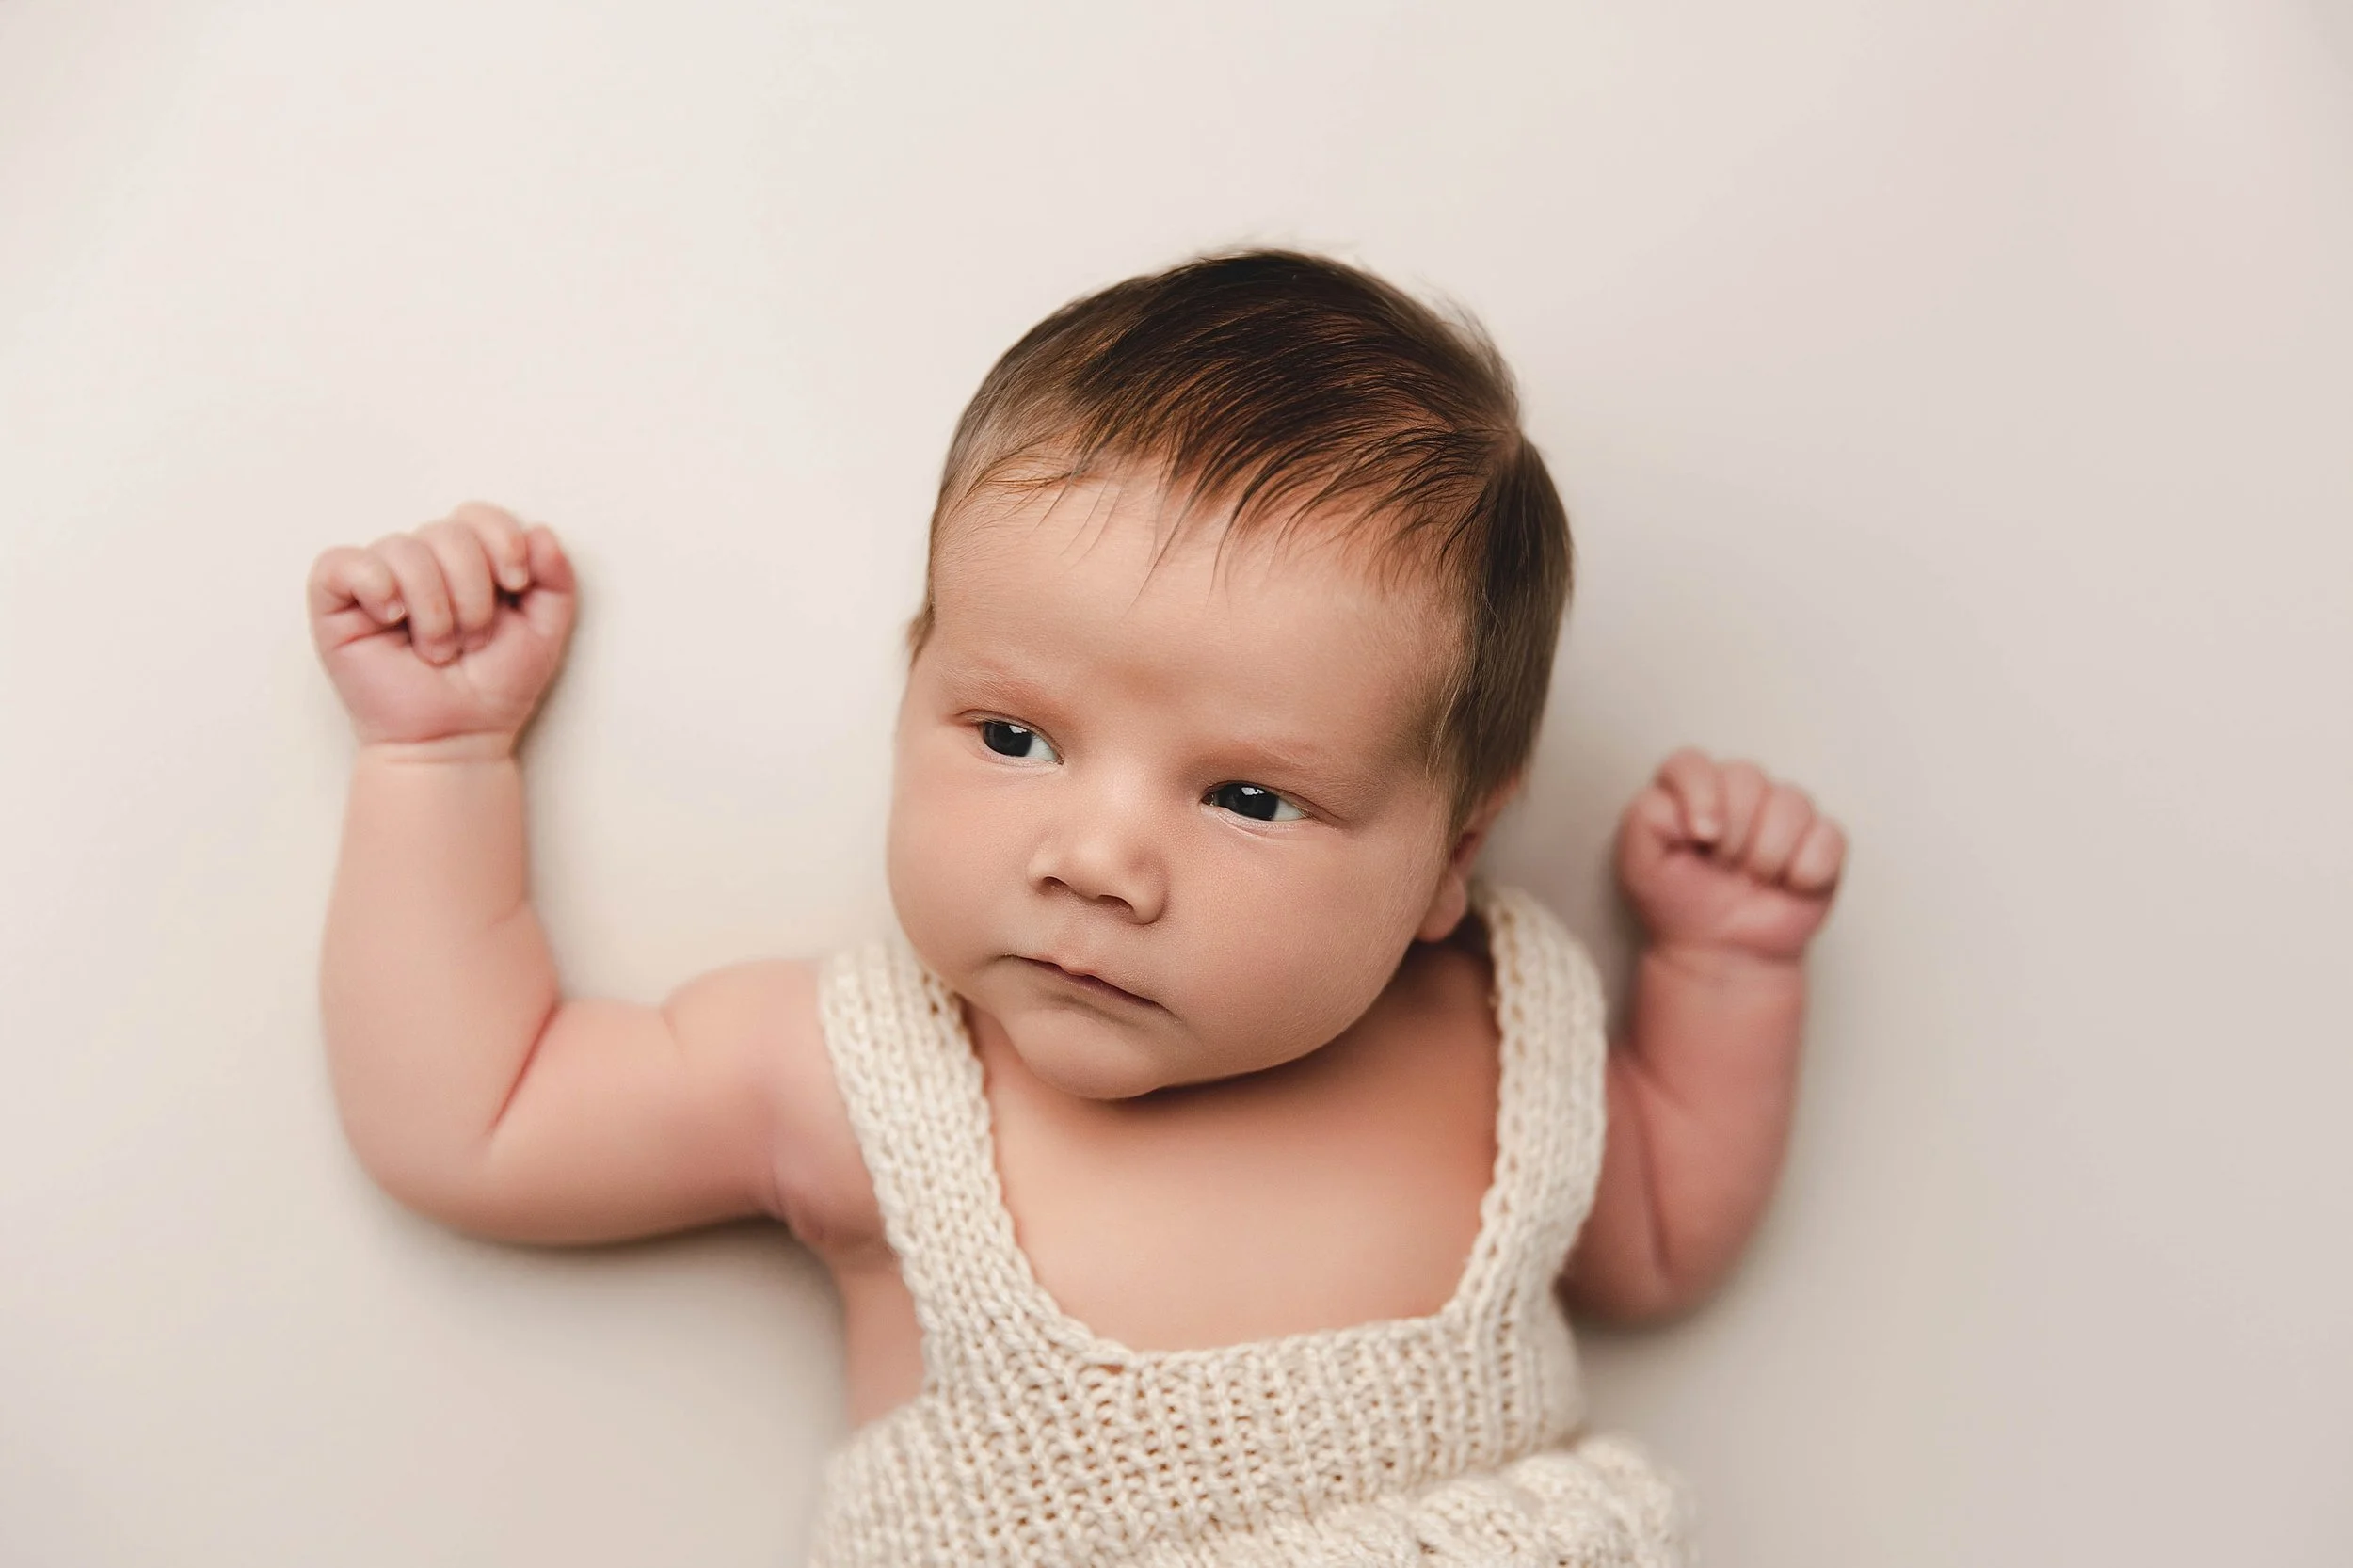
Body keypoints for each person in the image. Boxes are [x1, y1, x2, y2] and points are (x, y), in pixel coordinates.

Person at [306, 250, 1846, 1566]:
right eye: (1015, 736)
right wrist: (438, 756)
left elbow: (1652, 1239)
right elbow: (479, 1117)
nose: (1096, 859)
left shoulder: (1504, 1028)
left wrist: (1723, 970)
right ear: (915, 681)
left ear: (1453, 856)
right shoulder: (862, 1074)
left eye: (1248, 796)